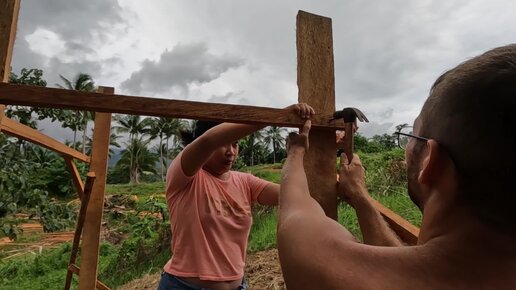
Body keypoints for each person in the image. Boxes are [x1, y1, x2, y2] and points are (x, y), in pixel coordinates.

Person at [278, 44, 516, 290]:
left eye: (413, 136)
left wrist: (296, 152)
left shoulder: (333, 269)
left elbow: (295, 213)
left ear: (430, 163)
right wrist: (360, 197)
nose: (407, 148)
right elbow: (416, 269)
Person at [158, 103, 314, 290]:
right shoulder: (184, 175)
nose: (230, 151)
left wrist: (304, 150)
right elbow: (209, 141)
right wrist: (277, 116)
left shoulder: (244, 182)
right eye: (224, 143)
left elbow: (294, 194)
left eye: (235, 143)